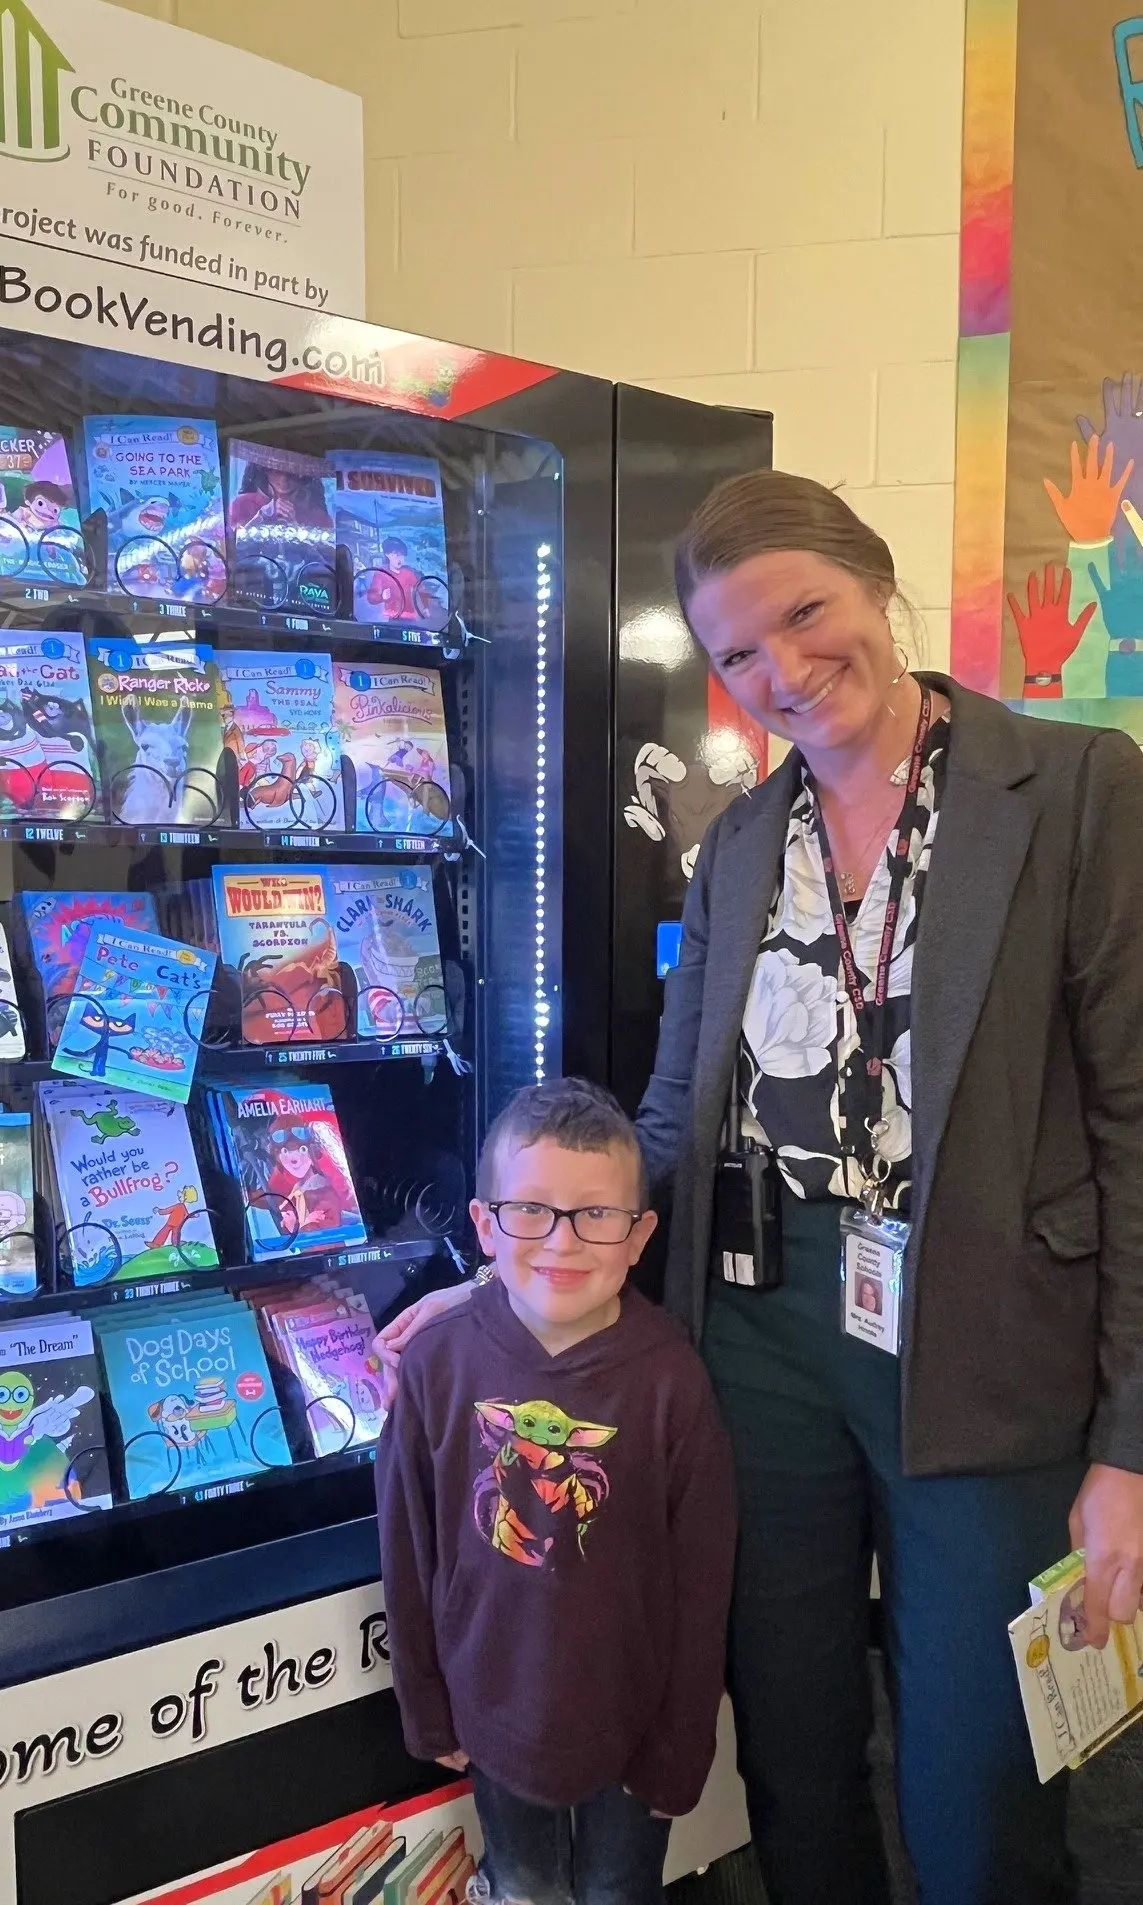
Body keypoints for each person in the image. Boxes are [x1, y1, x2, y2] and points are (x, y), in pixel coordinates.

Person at [377, 471, 1143, 1905]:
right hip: (758, 1327)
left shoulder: (1077, 790)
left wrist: (1128, 1446)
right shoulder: (736, 842)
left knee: (971, 1777)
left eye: (804, 614)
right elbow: (670, 1113)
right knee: (791, 1740)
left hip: (988, 1340)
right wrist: (511, 1273)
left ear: (876, 587)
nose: (780, 670)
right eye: (735, 652)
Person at [376, 1078, 735, 1905]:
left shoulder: (672, 1382)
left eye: (596, 1215)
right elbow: (408, 1548)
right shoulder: (438, 1366)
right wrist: (425, 1706)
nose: (561, 1242)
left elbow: (702, 1581)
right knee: (524, 1887)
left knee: (619, 1892)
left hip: (633, 1724)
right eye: (529, 1209)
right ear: (483, 1224)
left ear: (639, 1234)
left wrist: (682, 1745)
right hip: (491, 1716)